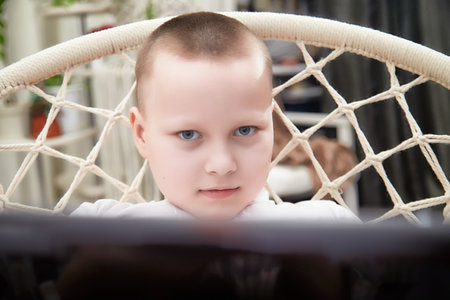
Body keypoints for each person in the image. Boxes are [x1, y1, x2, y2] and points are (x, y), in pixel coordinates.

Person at [71, 11, 359, 223]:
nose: (222, 165)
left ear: (272, 124)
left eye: (244, 130)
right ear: (142, 135)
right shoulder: (100, 230)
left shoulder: (324, 228)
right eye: (189, 134)